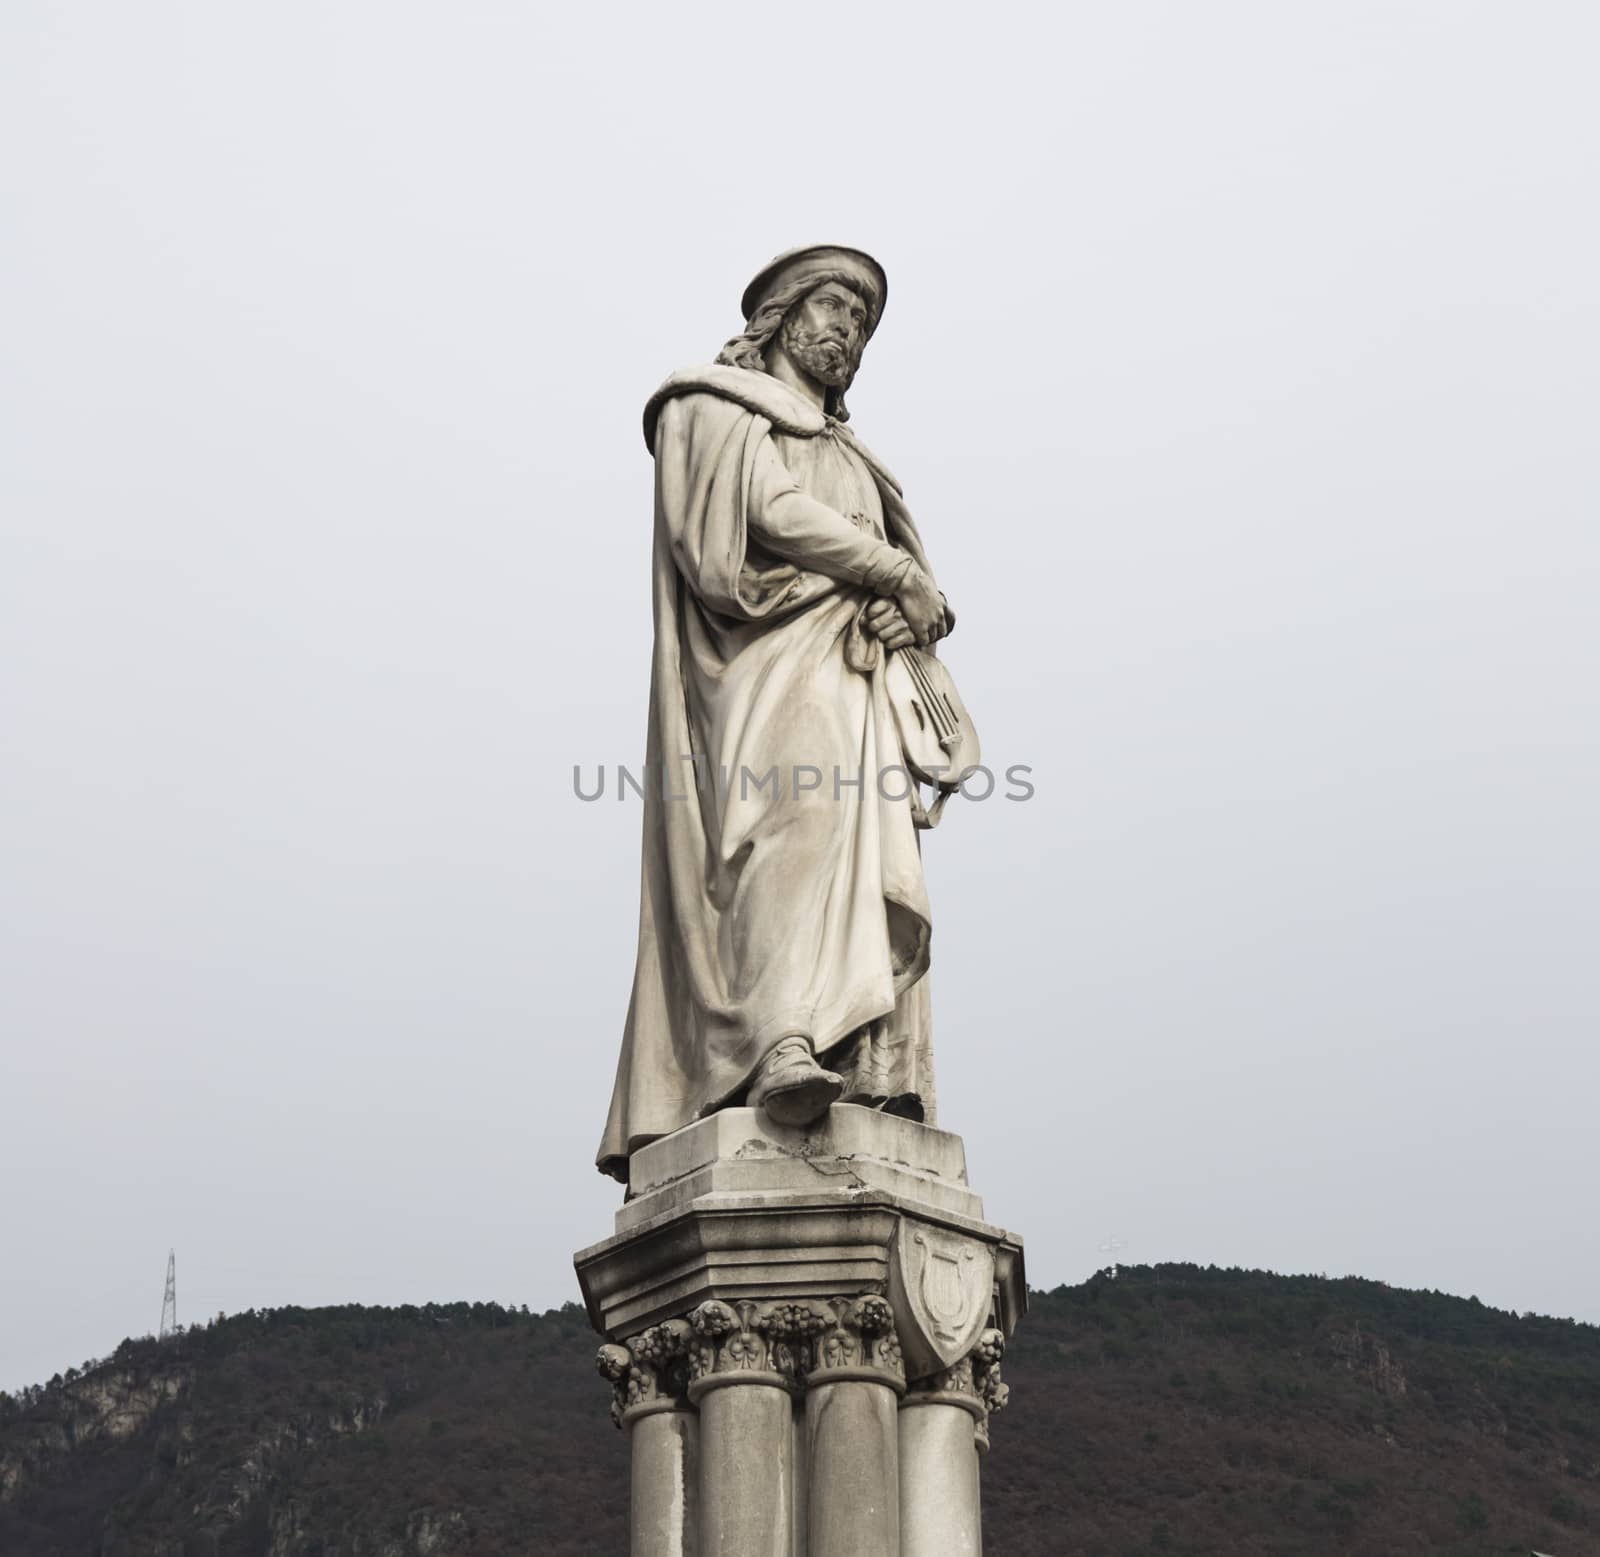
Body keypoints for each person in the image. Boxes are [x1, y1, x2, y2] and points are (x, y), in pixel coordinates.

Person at [596, 246, 955, 1183]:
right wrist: (891, 573)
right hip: (759, 669)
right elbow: (764, 512)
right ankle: (774, 1040)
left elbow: (909, 587)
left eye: (864, 324)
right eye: (834, 307)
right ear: (785, 314)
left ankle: (862, 1058)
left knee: (860, 844)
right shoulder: (714, 407)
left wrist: (900, 600)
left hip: (855, 673)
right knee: (786, 828)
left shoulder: (856, 457)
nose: (848, 331)